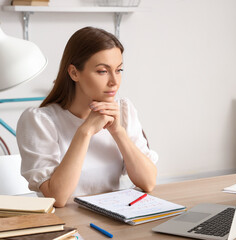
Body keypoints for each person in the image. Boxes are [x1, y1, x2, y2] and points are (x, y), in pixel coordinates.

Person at [16, 27, 158, 207]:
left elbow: (148, 182)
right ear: (74, 73)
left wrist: (118, 131)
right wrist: (86, 131)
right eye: (102, 71)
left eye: (119, 70)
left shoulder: (124, 110)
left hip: (114, 219)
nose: (114, 81)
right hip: (67, 227)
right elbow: (57, 197)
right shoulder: (40, 121)